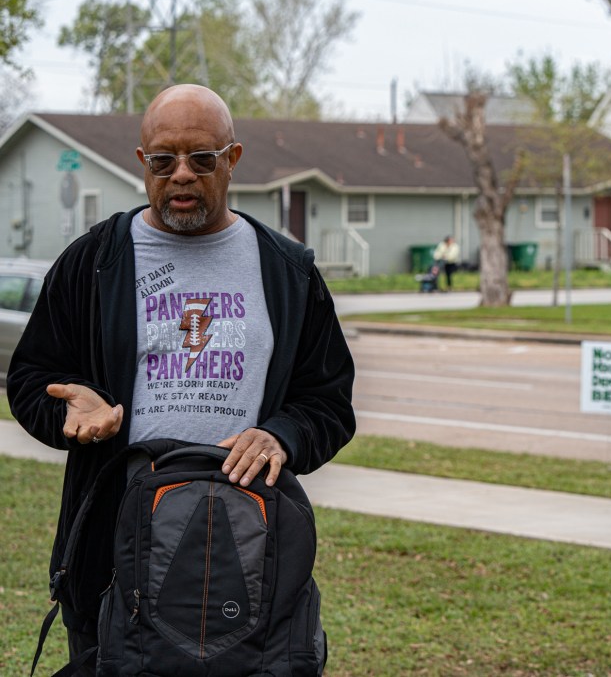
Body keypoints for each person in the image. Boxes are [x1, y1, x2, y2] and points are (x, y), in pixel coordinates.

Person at [8, 84, 356, 669]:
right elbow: (31, 377)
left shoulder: (286, 270)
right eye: (164, 161)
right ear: (142, 163)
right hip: (115, 554)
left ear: (233, 160)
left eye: (202, 158)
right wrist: (69, 413)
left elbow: (328, 401)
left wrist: (281, 435)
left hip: (247, 552)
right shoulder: (95, 261)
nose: (183, 175)